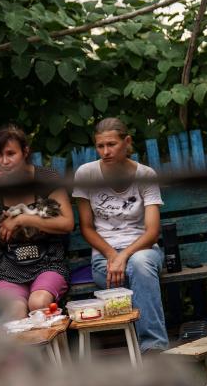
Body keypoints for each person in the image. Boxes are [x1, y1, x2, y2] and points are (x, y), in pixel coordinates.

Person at [72, 118, 169, 353]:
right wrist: (111, 256)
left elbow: (153, 232)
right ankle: (147, 348)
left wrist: (122, 256)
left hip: (142, 250)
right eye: (100, 146)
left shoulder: (145, 174)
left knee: (140, 264)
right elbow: (86, 227)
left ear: (127, 142)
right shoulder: (86, 174)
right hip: (104, 256)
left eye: (111, 144)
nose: (105, 152)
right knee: (135, 270)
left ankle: (153, 349)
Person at [0, 125, 74, 320]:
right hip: (7, 267)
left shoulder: (46, 178)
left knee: (39, 303)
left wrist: (22, 219)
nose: (4, 161)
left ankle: (57, 350)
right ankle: (28, 352)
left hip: (49, 261)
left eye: (11, 154)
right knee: (14, 311)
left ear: (25, 152)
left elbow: (67, 223)